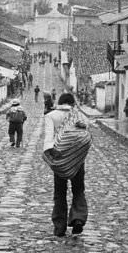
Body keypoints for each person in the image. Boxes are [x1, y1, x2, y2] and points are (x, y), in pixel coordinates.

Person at [43, 92, 90, 237]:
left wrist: (50, 155)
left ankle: (59, 227)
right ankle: (78, 219)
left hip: (59, 158)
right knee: (78, 190)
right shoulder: (80, 116)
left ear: (60, 102)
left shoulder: (51, 116)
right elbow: (85, 137)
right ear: (72, 103)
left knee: (59, 192)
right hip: (77, 161)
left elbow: (48, 138)